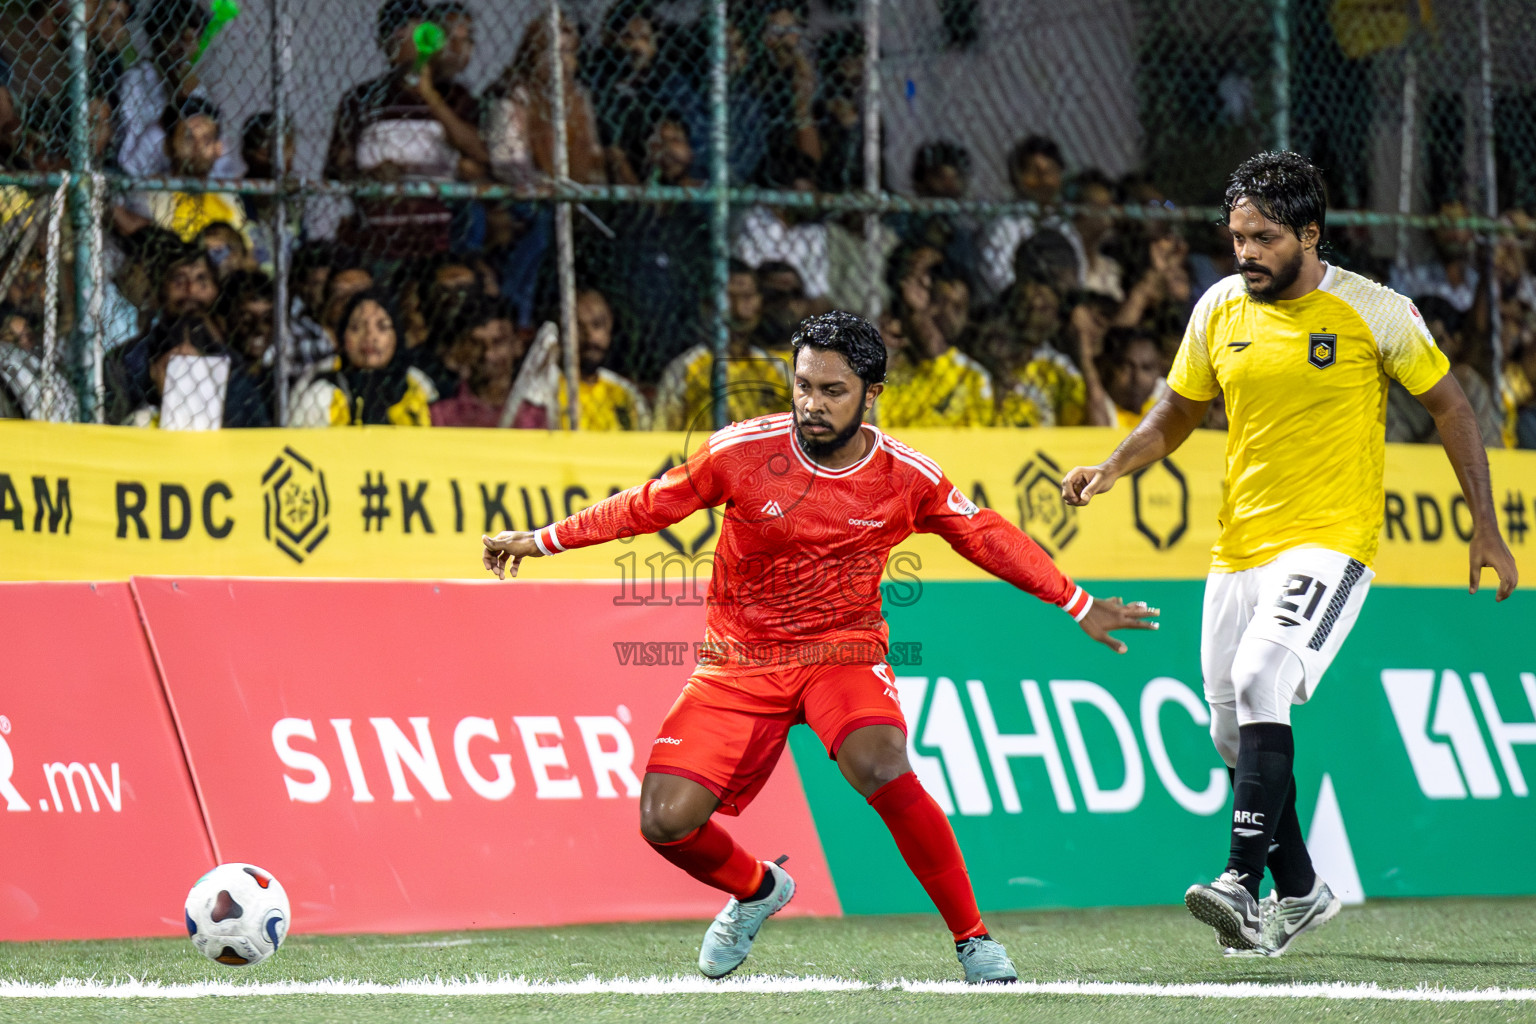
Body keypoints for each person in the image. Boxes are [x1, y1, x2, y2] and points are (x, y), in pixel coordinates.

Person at [482, 310, 1158, 983]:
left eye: (832, 390)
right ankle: (757, 890)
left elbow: (983, 535)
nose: (812, 403)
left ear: (871, 394)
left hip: (843, 652)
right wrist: (541, 540)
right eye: (803, 385)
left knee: (884, 766)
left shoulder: (905, 476)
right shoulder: (741, 453)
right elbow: (647, 505)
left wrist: (1077, 603)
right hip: (740, 660)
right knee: (664, 822)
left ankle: (973, 939)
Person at [1062, 151, 1519, 957]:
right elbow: (1176, 411)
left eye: (1264, 238)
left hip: (1332, 543)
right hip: (1238, 548)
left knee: (1260, 676)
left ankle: (1240, 883)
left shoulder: (1376, 312)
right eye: (1236, 236)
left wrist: (1484, 523)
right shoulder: (1218, 309)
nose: (1245, 253)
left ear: (1310, 234)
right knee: (1231, 735)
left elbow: (1450, 407)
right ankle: (1303, 889)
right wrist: (1112, 467)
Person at [326, 0, 485, 263]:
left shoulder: (454, 96)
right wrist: (368, 176)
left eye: (410, 34)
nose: (400, 43)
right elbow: (335, 167)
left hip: (443, 239)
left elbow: (479, 152)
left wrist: (429, 96)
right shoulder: (362, 99)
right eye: (392, 35)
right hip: (378, 237)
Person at [289, 288, 434, 426]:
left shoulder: (417, 384)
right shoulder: (321, 392)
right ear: (342, 337)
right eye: (356, 327)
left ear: (398, 336)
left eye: (382, 327)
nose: (370, 336)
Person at [553, 287, 650, 430]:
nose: (590, 336)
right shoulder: (546, 392)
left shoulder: (625, 395)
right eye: (578, 327)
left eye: (597, 325)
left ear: (609, 327)